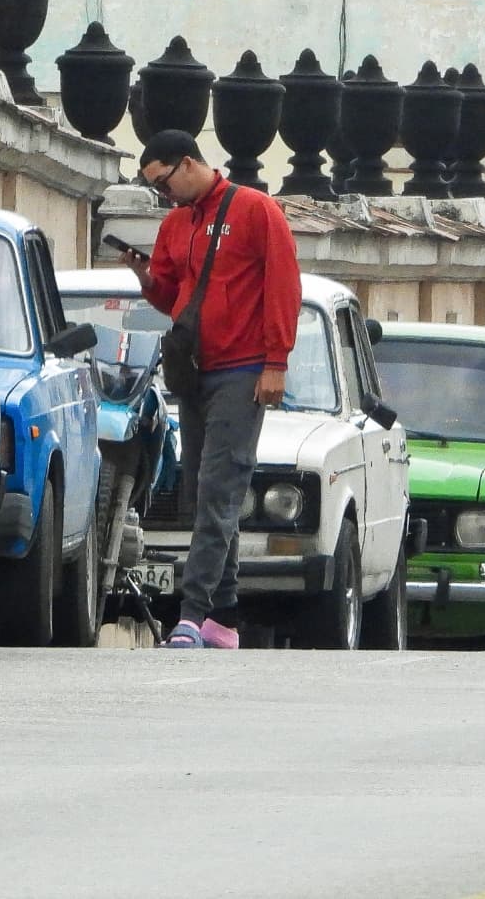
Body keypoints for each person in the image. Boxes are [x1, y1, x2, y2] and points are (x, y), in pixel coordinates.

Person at [124, 130, 300, 650]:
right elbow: (176, 298)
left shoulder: (256, 210)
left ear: (186, 163)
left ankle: (191, 613)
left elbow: (283, 286)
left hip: (242, 371)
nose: (164, 196)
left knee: (218, 489)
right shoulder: (176, 225)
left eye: (163, 183)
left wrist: (276, 362)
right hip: (194, 371)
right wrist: (146, 280)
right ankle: (223, 618)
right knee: (206, 490)